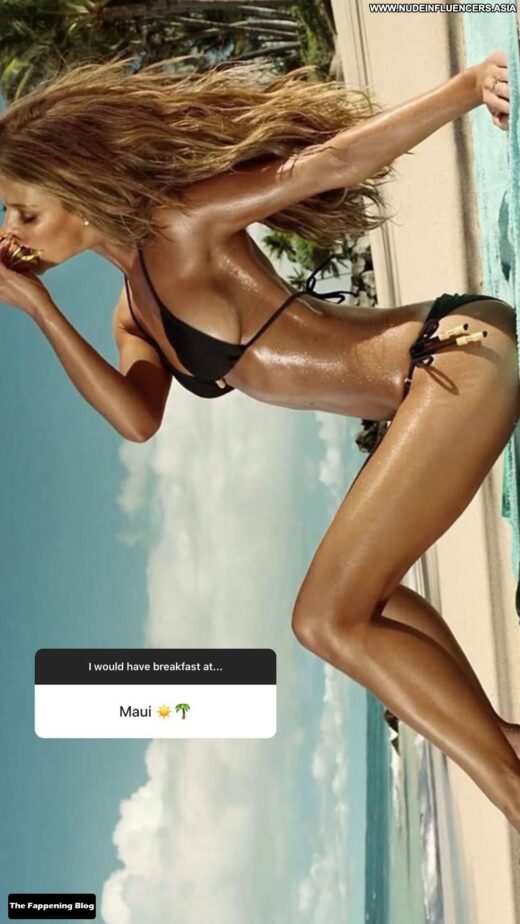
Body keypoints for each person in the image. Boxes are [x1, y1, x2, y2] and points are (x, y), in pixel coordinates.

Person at [1, 50, 519, 828]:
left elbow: (327, 164)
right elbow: (137, 419)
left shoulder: (180, 226)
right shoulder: (132, 312)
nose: (12, 234)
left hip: (450, 354)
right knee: (367, 607)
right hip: (433, 385)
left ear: (74, 192)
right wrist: (41, 310)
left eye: (22, 211)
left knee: (325, 619)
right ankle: (507, 744)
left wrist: (466, 88)